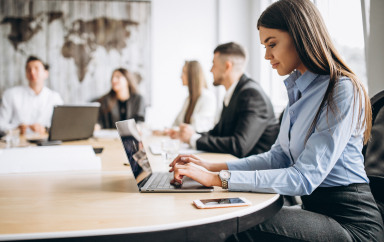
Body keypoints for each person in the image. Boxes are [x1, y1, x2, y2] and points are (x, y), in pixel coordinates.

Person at [169, 0, 384, 241]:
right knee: (222, 213)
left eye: (272, 44)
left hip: (351, 223)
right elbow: (277, 158)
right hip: (315, 210)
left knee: (233, 224)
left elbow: (303, 177)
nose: (266, 55)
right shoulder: (298, 89)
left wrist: (217, 179)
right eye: (264, 46)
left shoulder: (342, 89)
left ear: (301, 36)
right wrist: (210, 167)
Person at [174, 42, 279, 158]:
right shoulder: (233, 93)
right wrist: (192, 134)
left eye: (213, 64)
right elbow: (218, 133)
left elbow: (239, 146)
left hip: (254, 170)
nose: (210, 70)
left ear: (227, 67)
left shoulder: (252, 95)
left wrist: (193, 139)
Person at [0, 56, 63, 135]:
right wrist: (16, 128)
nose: (32, 72)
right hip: (18, 143)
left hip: (45, 143)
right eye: (28, 69)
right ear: (26, 74)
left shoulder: (55, 98)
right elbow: (1, 124)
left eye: (36, 68)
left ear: (46, 73)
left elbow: (61, 125)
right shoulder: (11, 94)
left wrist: (45, 129)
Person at [155, 60, 216, 135]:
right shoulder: (188, 99)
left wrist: (172, 131)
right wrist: (165, 131)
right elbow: (176, 123)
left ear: (192, 75)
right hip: (184, 144)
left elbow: (198, 128)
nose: (180, 76)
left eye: (184, 72)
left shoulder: (207, 97)